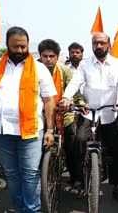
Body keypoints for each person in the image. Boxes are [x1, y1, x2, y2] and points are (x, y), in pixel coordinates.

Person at [59, 32, 118, 203]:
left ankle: (116, 186)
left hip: (110, 114)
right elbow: (75, 82)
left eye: (102, 43)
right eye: (95, 43)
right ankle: (81, 181)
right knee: (79, 142)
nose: (98, 46)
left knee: (116, 150)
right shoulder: (85, 65)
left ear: (109, 44)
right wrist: (66, 97)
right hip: (89, 114)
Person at [0, 27, 56, 212]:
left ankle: (31, 210)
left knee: (29, 174)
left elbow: (49, 99)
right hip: (0, 131)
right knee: (12, 174)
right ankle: (20, 208)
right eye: (16, 47)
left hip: (30, 132)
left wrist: (50, 130)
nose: (20, 50)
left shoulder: (39, 68)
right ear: (7, 45)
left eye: (23, 46)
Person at [38, 39, 85, 196]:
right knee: (39, 151)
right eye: (45, 56)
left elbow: (75, 89)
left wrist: (80, 102)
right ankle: (42, 181)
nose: (48, 59)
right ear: (40, 56)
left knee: (72, 150)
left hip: (65, 116)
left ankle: (76, 180)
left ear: (57, 57)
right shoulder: (34, 70)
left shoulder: (65, 71)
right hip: (42, 117)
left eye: (52, 56)